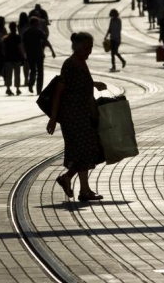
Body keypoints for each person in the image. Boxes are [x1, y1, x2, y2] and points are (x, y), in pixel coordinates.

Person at [47, 32, 108, 202]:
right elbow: (59, 91)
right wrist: (53, 117)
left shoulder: (80, 63)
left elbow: (80, 84)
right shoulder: (70, 64)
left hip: (82, 114)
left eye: (90, 48)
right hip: (73, 116)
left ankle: (83, 189)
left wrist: (94, 84)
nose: (89, 51)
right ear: (78, 47)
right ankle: (70, 180)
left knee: (86, 149)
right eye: (86, 48)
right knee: (84, 150)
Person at [23, 17, 55, 94]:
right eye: (37, 23)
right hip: (39, 54)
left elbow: (24, 44)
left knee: (32, 70)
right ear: (34, 23)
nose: (38, 24)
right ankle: (39, 89)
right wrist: (52, 51)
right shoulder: (39, 32)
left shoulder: (26, 32)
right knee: (40, 72)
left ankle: (31, 84)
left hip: (30, 54)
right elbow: (46, 41)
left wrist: (25, 53)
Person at [2, 22, 25, 96]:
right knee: (17, 74)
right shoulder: (18, 37)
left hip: (8, 58)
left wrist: (4, 55)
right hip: (16, 58)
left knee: (8, 74)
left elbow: (3, 49)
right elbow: (20, 47)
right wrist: (23, 56)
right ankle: (17, 88)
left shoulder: (6, 38)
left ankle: (8, 88)